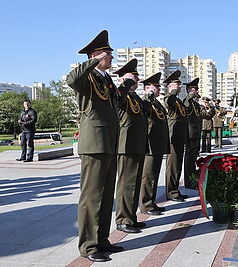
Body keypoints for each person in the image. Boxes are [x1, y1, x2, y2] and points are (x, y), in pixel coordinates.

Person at [66, 30, 133, 262]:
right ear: (97, 55)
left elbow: (114, 104)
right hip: (94, 143)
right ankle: (88, 245)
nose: (112, 58)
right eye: (109, 54)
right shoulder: (88, 78)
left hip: (109, 143)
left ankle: (102, 240)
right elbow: (71, 80)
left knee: (105, 196)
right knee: (91, 196)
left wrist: (124, 87)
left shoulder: (106, 79)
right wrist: (93, 59)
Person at [113, 59, 147, 234]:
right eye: (134, 76)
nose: (137, 80)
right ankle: (123, 219)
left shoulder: (135, 97)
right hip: (126, 146)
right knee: (126, 183)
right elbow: (118, 99)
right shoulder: (121, 93)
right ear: (123, 78)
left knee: (134, 184)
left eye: (137, 77)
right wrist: (126, 82)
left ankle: (131, 217)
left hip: (137, 144)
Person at [140, 72, 170, 215]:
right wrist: (148, 96)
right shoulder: (146, 101)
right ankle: (146, 205)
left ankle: (151, 201)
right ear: (148, 88)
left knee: (154, 175)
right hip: (150, 144)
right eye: (156, 87)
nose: (159, 89)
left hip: (158, 144)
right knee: (148, 176)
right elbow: (144, 112)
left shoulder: (156, 103)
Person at [163, 70, 188, 202]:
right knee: (172, 166)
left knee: (177, 165)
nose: (179, 87)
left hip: (179, 136)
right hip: (173, 136)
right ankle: (171, 192)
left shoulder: (178, 100)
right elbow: (168, 103)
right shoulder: (168, 97)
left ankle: (175, 190)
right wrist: (172, 91)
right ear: (170, 85)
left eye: (180, 85)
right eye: (177, 84)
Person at [183, 78, 202, 189]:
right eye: (195, 90)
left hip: (195, 133)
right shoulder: (187, 101)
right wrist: (190, 95)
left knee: (193, 158)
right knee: (189, 159)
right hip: (190, 134)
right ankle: (188, 181)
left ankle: (192, 179)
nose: (197, 92)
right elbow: (185, 105)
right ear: (190, 90)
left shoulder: (195, 103)